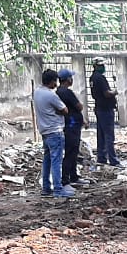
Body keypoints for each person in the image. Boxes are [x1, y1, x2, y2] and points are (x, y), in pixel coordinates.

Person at [35, 69, 75, 198]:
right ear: (52, 81)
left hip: (44, 131)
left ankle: (46, 187)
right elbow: (65, 109)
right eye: (55, 81)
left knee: (47, 160)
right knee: (56, 161)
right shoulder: (51, 95)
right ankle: (58, 189)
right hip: (55, 131)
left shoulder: (37, 92)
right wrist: (57, 113)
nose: (56, 84)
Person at [57, 69, 90, 185]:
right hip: (71, 126)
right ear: (68, 79)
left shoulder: (59, 92)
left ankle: (73, 176)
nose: (72, 79)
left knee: (72, 152)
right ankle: (67, 178)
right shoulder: (67, 92)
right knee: (71, 152)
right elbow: (79, 106)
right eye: (71, 77)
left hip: (70, 125)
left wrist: (82, 120)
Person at [90, 59, 120, 167]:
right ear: (96, 66)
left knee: (101, 134)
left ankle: (101, 158)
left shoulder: (92, 78)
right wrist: (115, 92)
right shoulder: (100, 78)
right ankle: (113, 160)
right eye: (101, 65)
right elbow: (107, 93)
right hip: (105, 109)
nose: (103, 67)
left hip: (99, 108)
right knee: (109, 135)